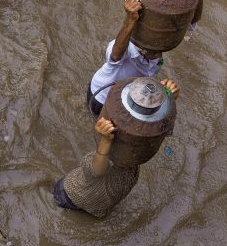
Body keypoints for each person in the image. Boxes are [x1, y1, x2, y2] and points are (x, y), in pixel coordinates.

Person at [54, 79, 180, 218]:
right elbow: (96, 170)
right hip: (70, 197)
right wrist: (105, 140)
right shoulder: (102, 159)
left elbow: (160, 131)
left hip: (99, 204)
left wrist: (168, 101)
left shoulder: (131, 164)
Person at [87, 0, 203, 117]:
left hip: (125, 94)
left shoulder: (162, 43)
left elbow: (194, 18)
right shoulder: (127, 47)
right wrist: (130, 19)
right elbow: (115, 56)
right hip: (101, 96)